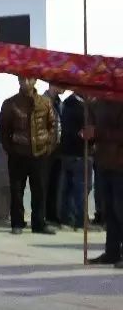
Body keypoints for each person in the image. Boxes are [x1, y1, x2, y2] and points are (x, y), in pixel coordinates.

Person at [0, 76, 57, 235]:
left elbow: (52, 125)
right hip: (18, 153)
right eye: (22, 79)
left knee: (39, 190)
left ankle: (39, 223)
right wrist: (10, 148)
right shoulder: (10, 104)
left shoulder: (45, 102)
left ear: (35, 81)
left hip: (40, 154)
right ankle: (17, 223)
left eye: (29, 79)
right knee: (17, 190)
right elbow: (3, 129)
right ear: (18, 81)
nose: (25, 82)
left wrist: (48, 146)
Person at [84, 98, 123, 267]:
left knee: (121, 209)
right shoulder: (97, 104)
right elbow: (93, 133)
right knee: (109, 211)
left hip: (121, 164)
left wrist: (97, 132)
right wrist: (88, 135)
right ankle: (112, 252)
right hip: (103, 163)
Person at [59, 90, 92, 232]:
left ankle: (66, 218)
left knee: (67, 188)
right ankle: (80, 221)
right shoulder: (81, 108)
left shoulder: (66, 104)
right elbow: (84, 133)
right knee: (82, 188)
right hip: (80, 152)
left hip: (67, 152)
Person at [43, 83, 65, 228]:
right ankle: (44, 216)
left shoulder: (60, 103)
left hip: (59, 150)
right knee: (44, 184)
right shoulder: (43, 101)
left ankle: (53, 216)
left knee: (56, 185)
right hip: (46, 149)